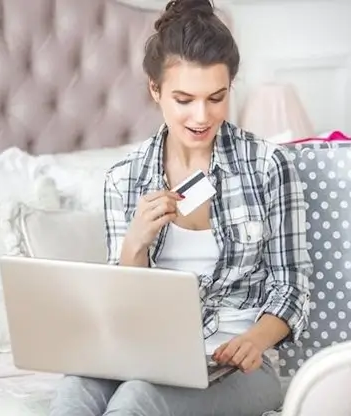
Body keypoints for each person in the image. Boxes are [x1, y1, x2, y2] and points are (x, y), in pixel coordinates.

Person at [50, 0, 312, 415]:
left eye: (216, 97)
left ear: (231, 86)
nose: (201, 116)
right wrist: (135, 246)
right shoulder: (124, 179)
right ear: (155, 89)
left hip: (235, 365)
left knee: (140, 398)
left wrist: (255, 341)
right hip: (148, 352)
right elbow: (120, 312)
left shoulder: (267, 166)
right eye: (184, 99)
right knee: (77, 390)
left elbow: (292, 288)